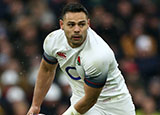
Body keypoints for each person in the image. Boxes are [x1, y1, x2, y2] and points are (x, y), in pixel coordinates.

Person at [27, 3, 135, 115]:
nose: (77, 29)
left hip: (115, 106)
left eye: (81, 24)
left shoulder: (97, 55)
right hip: (81, 98)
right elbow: (47, 70)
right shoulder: (53, 41)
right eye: (71, 25)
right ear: (61, 25)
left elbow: (90, 100)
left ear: (88, 24)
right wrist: (35, 105)